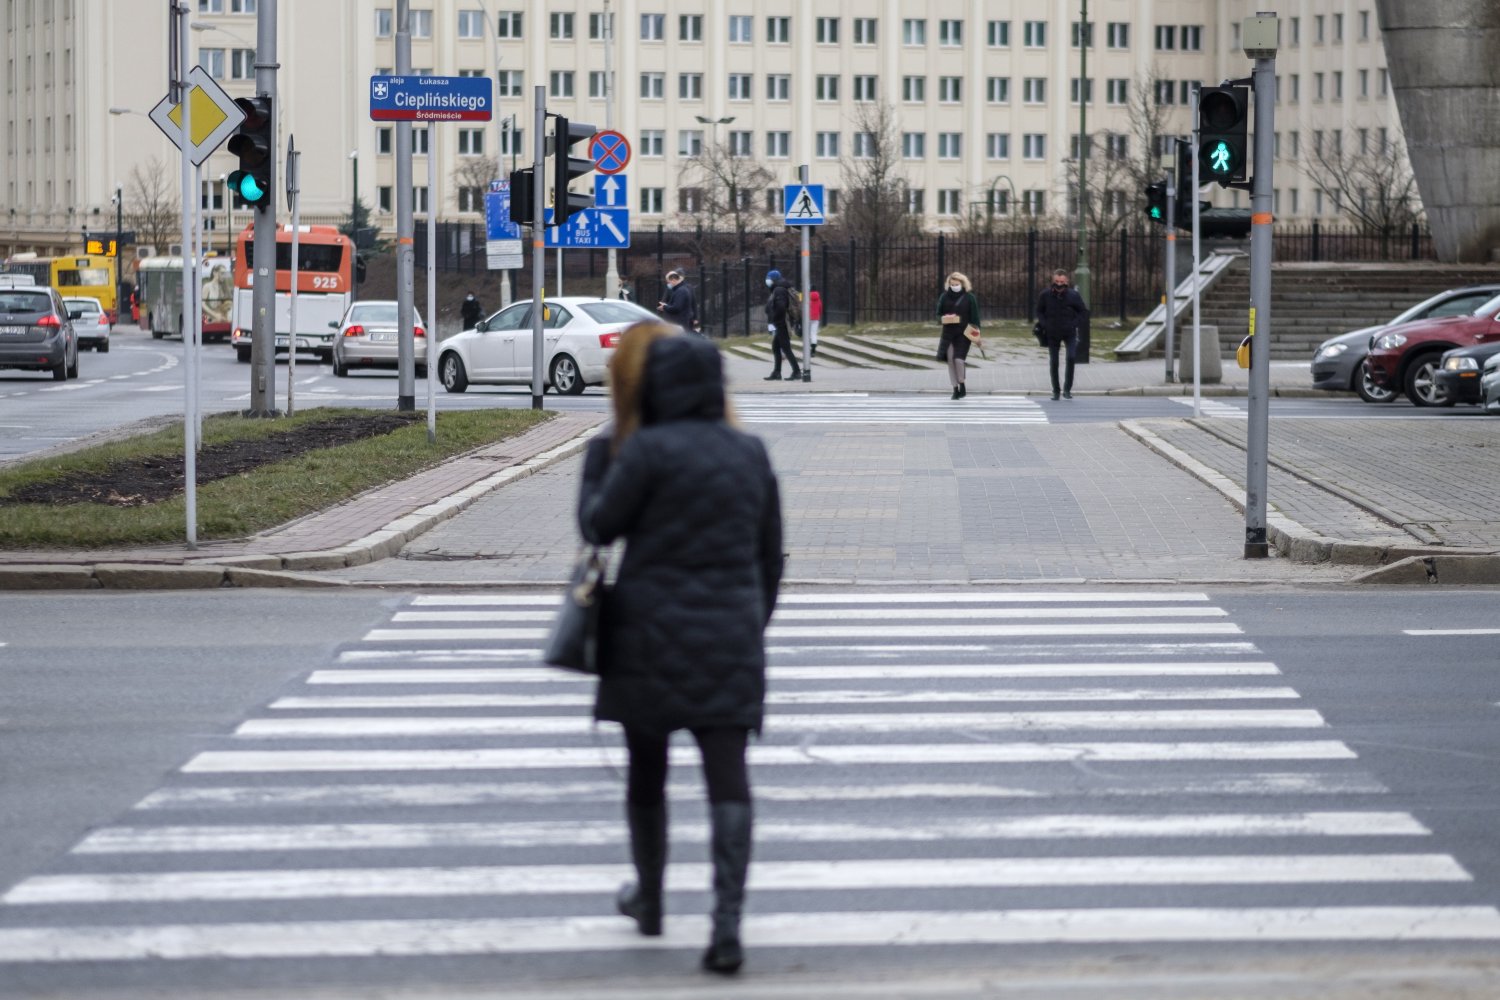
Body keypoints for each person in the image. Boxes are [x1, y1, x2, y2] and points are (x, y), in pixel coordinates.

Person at [577, 322, 784, 975]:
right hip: (731, 632)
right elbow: (770, 555)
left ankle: (652, 900)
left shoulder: (646, 452)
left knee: (647, 770)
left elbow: (598, 526)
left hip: (646, 632)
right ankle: (726, 929)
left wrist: (595, 471)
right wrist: (752, 623)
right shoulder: (750, 452)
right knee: (728, 777)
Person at [1036, 269, 1089, 400]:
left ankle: (1067, 389)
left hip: (1069, 332)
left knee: (1071, 357)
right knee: (1054, 362)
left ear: (1067, 282)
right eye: (1057, 281)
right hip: (1052, 332)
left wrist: (1074, 324)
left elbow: (1083, 312)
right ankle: (1056, 390)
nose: (1059, 284)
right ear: (1052, 281)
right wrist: (1044, 324)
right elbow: (1039, 311)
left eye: (1062, 282)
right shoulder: (1045, 295)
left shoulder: (1073, 296)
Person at [935, 272, 981, 399]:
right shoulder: (944, 297)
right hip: (948, 334)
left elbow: (975, 318)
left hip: (964, 334)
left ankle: (962, 384)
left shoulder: (969, 298)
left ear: (962, 283)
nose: (954, 286)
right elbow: (938, 314)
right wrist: (944, 318)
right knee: (950, 361)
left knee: (958, 360)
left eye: (957, 284)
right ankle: (955, 388)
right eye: (952, 284)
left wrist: (978, 335)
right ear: (948, 284)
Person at [763, 269, 801, 381]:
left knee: (786, 348)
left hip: (782, 322)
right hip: (781, 322)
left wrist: (775, 319)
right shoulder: (780, 288)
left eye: (768, 279)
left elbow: (781, 306)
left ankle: (797, 371)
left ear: (774, 279)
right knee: (776, 347)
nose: (767, 281)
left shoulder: (779, 290)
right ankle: (777, 372)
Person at [805, 285, 822, 358]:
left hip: (808, 318)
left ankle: (807, 349)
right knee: (814, 334)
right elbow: (820, 308)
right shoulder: (819, 299)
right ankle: (813, 351)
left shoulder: (807, 297)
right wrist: (818, 316)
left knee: (807, 334)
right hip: (816, 318)